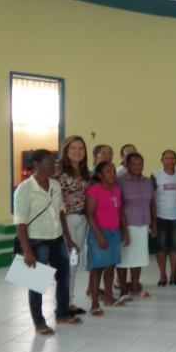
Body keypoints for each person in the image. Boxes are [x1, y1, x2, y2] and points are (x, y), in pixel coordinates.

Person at [14, 149, 82, 334]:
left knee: (64, 277)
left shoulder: (55, 185)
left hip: (57, 238)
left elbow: (61, 212)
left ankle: (62, 314)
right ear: (36, 165)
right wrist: (27, 250)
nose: (53, 166)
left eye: (53, 163)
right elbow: (20, 223)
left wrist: (68, 240)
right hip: (37, 240)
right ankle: (39, 322)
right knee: (36, 282)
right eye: (48, 163)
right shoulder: (25, 189)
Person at [86, 161, 129, 316]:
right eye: (108, 171)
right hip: (100, 233)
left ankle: (109, 297)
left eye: (113, 171)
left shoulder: (117, 190)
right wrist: (99, 236)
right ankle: (95, 303)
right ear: (99, 175)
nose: (112, 174)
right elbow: (89, 215)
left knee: (111, 266)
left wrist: (125, 231)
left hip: (115, 232)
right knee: (97, 268)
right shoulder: (94, 190)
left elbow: (120, 212)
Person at [56, 135, 90, 315]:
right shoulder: (58, 170)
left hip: (81, 219)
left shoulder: (86, 172)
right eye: (73, 148)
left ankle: (68, 301)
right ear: (66, 151)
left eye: (81, 148)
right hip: (64, 221)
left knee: (73, 262)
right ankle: (61, 303)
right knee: (64, 262)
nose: (78, 152)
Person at [117, 152, 155, 299]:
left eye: (141, 163)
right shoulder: (120, 181)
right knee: (124, 259)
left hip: (143, 223)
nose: (138, 166)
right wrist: (124, 229)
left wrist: (154, 224)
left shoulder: (147, 181)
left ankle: (134, 286)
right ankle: (123, 289)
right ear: (126, 165)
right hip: (126, 225)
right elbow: (118, 206)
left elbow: (152, 203)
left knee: (138, 258)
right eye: (134, 163)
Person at [152, 149, 176, 286]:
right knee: (161, 248)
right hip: (160, 217)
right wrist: (152, 221)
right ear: (162, 160)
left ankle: (173, 273)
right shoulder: (155, 176)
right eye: (166, 158)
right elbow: (151, 199)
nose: (170, 161)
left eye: (172, 158)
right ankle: (162, 274)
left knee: (175, 247)